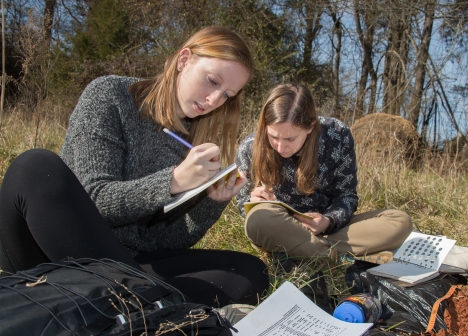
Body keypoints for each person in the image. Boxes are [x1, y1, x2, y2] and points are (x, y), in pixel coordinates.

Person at [0, 26, 268, 307]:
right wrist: (172, 182)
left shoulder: (193, 140)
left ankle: (125, 307)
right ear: (184, 60)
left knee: (248, 272)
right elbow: (93, 198)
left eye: (227, 94)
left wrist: (211, 203)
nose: (214, 100)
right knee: (34, 168)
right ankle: (144, 307)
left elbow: (162, 242)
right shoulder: (111, 95)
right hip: (57, 256)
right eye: (212, 81)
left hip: (126, 266)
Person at [236, 83, 413, 261]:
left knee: (400, 221)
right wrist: (253, 202)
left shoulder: (337, 135)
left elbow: (347, 195)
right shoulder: (250, 146)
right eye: (273, 136)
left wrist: (328, 220)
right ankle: (333, 256)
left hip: (327, 230)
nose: (281, 147)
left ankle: (303, 252)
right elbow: (243, 202)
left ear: (311, 126)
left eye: (290, 138)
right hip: (279, 227)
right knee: (258, 220)